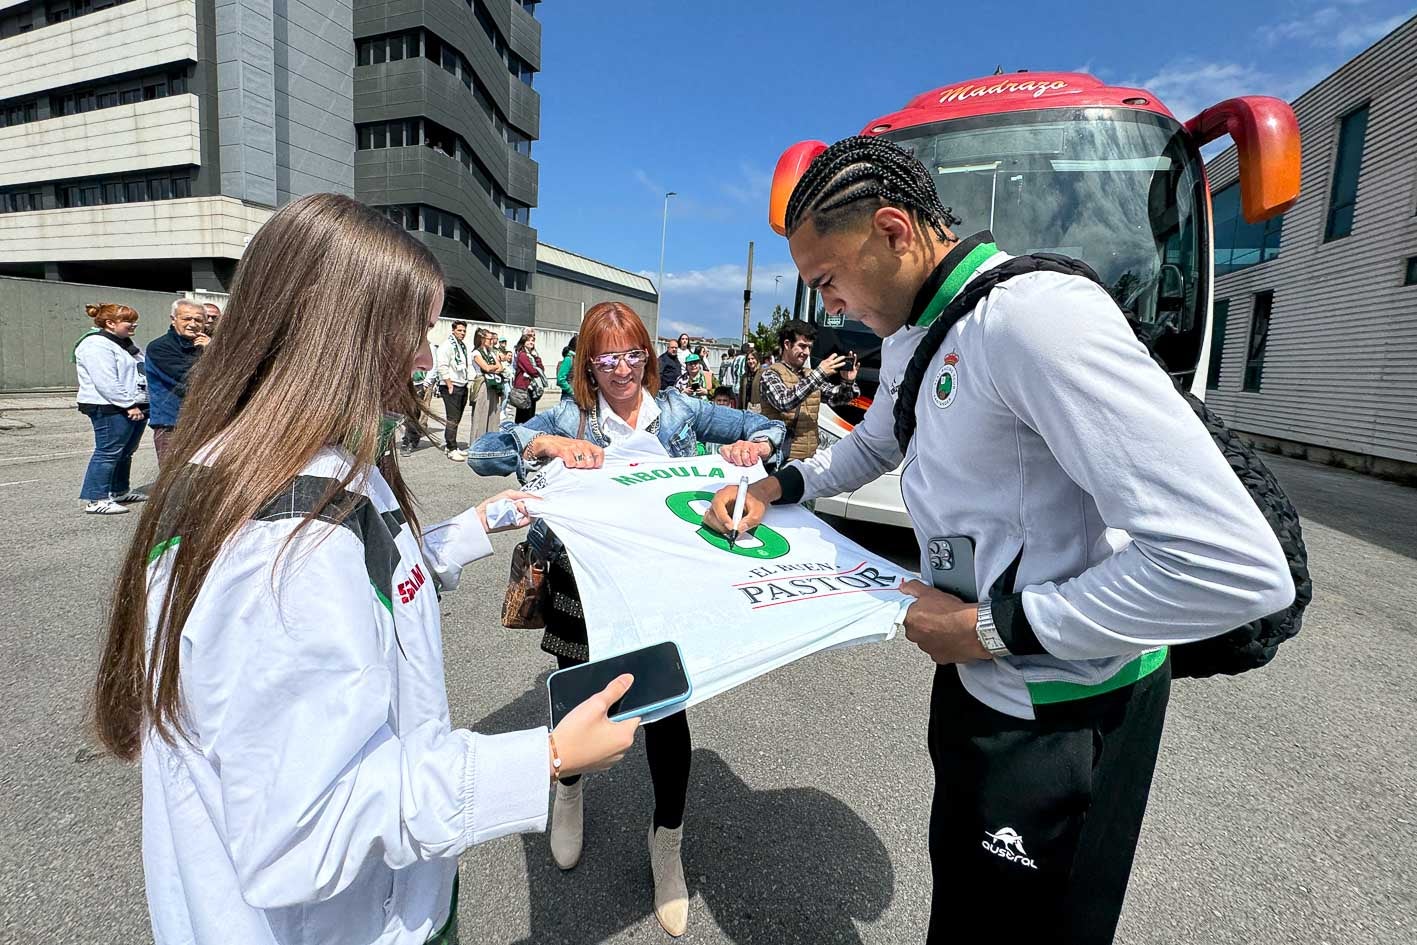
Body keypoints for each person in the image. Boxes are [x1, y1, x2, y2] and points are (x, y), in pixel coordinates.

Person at [704, 136, 1296, 944]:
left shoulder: (1033, 319)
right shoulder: (920, 327)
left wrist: (985, 627)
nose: (828, 307)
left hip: (1063, 712)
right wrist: (779, 484)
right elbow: (879, 439)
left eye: (827, 281)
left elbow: (1234, 568)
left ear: (892, 229)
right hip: (978, 682)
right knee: (966, 907)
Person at [91, 193, 640, 945]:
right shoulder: (285, 548)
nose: (424, 358)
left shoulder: (274, 463)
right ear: (335, 332)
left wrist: (487, 520)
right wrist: (542, 757)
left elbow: (381, 584)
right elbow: (305, 833)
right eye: (410, 332)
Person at [469, 301, 784, 938]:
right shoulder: (569, 413)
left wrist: (754, 444)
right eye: (608, 357)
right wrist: (545, 441)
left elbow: (763, 425)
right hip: (582, 587)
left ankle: (668, 840)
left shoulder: (678, 412)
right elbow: (481, 454)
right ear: (589, 362)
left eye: (634, 354)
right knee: (581, 700)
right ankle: (569, 787)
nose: (623, 369)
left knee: (668, 710)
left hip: (658, 586)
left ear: (648, 354)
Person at [75, 302, 149, 514]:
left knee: (125, 451)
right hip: (109, 406)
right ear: (110, 323)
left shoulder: (124, 343)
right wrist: (129, 404)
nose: (133, 325)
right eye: (128, 321)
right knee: (108, 452)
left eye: (134, 320)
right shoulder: (95, 345)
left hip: (133, 405)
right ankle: (96, 498)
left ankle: (119, 491)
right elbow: (106, 380)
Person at [754, 320, 859, 461]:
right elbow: (784, 402)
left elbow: (837, 398)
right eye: (802, 346)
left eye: (809, 347)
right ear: (786, 344)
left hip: (808, 459)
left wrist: (848, 382)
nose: (807, 353)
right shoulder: (770, 374)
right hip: (779, 460)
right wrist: (819, 373)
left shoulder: (810, 375)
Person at [145, 299, 209, 466]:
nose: (193, 324)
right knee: (172, 476)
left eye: (198, 320)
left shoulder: (206, 344)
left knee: (201, 476)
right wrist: (212, 354)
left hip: (204, 422)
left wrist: (213, 348)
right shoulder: (160, 347)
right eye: (187, 319)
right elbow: (191, 380)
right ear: (173, 320)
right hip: (172, 424)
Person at [436, 320, 473, 461]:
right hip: (451, 386)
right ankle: (451, 448)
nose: (462, 333)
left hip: (462, 384)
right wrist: (449, 384)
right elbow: (442, 366)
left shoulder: (462, 346)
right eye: (459, 330)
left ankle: (451, 444)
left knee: (457, 418)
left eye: (464, 331)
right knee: (452, 418)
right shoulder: (447, 346)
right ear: (453, 331)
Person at [470, 328, 507, 437]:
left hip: (493, 383)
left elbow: (500, 367)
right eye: (489, 339)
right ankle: (477, 440)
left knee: (493, 412)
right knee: (481, 413)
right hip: (483, 383)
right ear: (482, 339)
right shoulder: (476, 353)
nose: (492, 341)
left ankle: (491, 437)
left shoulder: (491, 352)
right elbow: (486, 368)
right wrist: (494, 367)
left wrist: (494, 367)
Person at [510, 329, 545, 424]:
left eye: (533, 340)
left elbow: (541, 368)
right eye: (529, 340)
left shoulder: (532, 355)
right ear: (523, 342)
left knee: (530, 414)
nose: (531, 342)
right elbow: (532, 371)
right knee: (523, 415)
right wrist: (537, 371)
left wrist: (537, 357)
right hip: (523, 388)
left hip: (532, 388)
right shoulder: (522, 355)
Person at [556, 334, 578, 402]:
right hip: (569, 398)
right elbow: (560, 379)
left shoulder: (578, 359)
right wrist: (571, 391)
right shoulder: (568, 359)